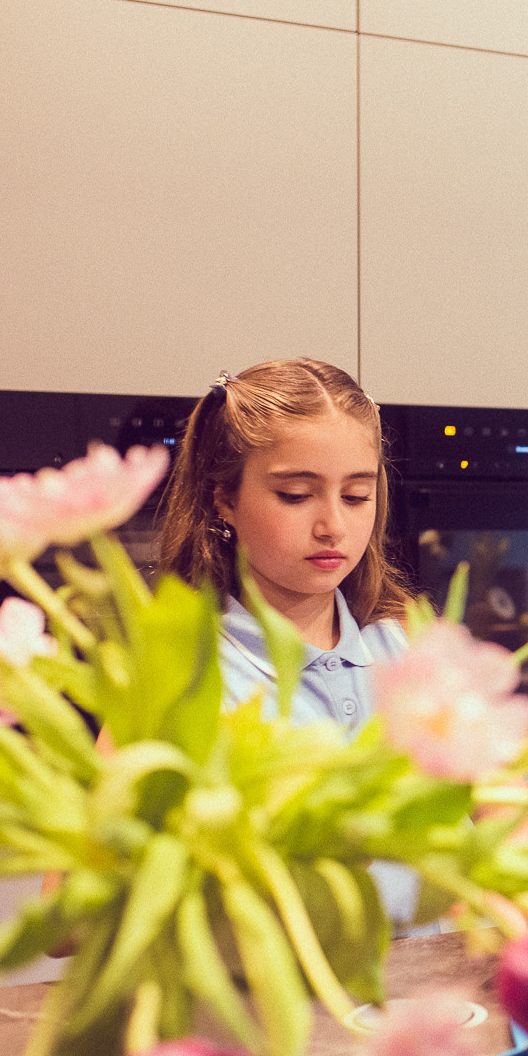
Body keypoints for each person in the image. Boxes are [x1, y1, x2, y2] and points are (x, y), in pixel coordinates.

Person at [156, 358, 424, 923]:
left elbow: (509, 804)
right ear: (223, 498)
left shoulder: (403, 646)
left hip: (431, 993)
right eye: (297, 495)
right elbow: (77, 908)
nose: (333, 526)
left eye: (356, 497)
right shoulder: (185, 678)